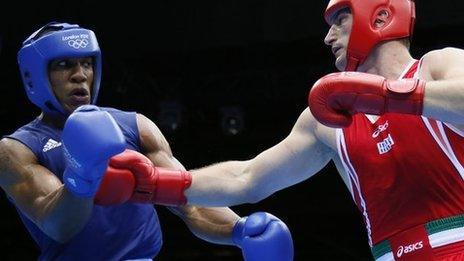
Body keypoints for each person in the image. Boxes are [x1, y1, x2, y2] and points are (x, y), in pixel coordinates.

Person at [102, 0, 464, 260]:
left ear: (380, 16)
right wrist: (154, 184)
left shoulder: (437, 67)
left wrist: (384, 96)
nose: (328, 37)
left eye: (340, 20)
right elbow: (247, 178)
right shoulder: (330, 119)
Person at [0, 22, 294, 260]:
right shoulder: (17, 149)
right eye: (64, 65)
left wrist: (238, 230)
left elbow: (187, 201)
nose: (80, 75)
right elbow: (58, 225)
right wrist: (83, 173)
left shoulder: (134, 125)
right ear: (35, 77)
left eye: (87, 64)